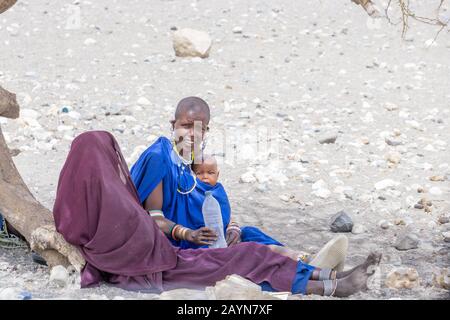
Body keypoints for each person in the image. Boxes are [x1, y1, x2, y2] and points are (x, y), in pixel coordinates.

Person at [53, 130, 381, 297]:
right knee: (245, 259)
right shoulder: (115, 200)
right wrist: (184, 237)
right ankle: (332, 284)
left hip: (163, 258)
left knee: (248, 246)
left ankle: (329, 275)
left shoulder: (79, 205)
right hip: (159, 268)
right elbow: (129, 239)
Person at [130, 96, 347, 269]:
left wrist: (231, 226)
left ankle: (306, 261)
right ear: (173, 125)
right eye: (186, 126)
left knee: (248, 233)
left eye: (200, 128)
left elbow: (211, 196)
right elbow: (154, 219)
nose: (192, 134)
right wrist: (189, 234)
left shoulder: (195, 157)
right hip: (176, 242)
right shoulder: (160, 157)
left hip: (206, 235)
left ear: (206, 130)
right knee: (247, 253)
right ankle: (308, 267)